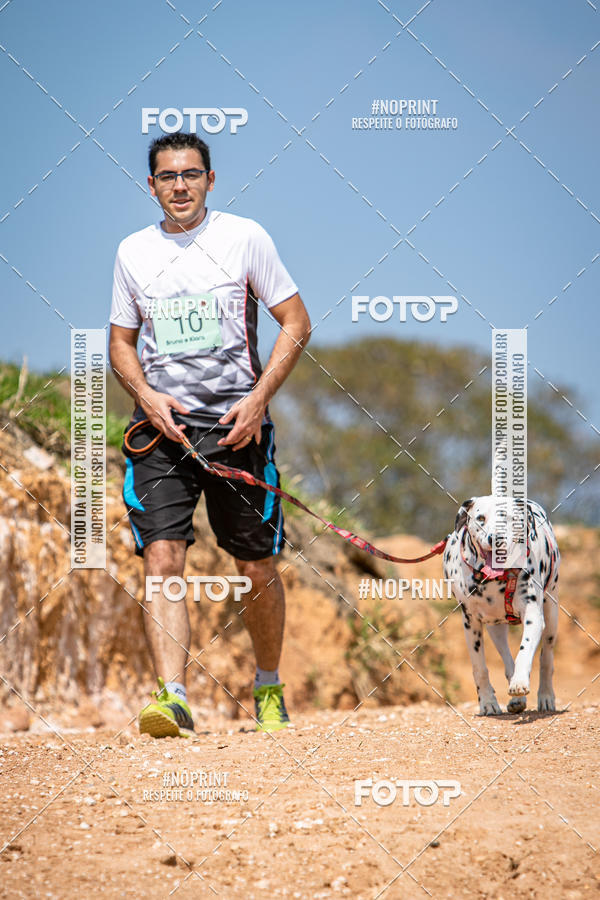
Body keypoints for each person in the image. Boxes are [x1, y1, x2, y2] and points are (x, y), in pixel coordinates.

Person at [108, 132, 311, 737]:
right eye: (167, 176)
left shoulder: (244, 238)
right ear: (151, 186)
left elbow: (296, 321)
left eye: (191, 175)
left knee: (256, 566)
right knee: (162, 557)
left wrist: (258, 400)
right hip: (160, 433)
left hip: (236, 429)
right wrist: (145, 396)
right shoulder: (131, 253)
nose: (179, 186)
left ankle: (268, 686)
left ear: (210, 180)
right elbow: (120, 342)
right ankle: (172, 697)